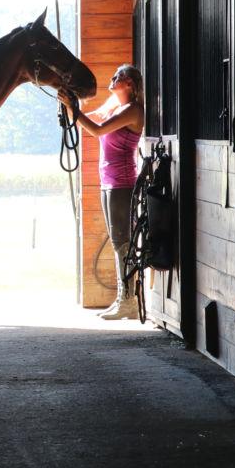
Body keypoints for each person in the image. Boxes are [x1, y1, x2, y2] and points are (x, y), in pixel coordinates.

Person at [63, 64, 144, 320]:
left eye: (118, 76)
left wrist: (72, 109)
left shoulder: (132, 111)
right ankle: (123, 297)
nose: (112, 79)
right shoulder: (113, 107)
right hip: (108, 181)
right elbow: (90, 119)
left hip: (122, 183)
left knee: (123, 243)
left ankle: (128, 300)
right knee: (117, 241)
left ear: (129, 83)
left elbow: (96, 130)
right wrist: (70, 105)